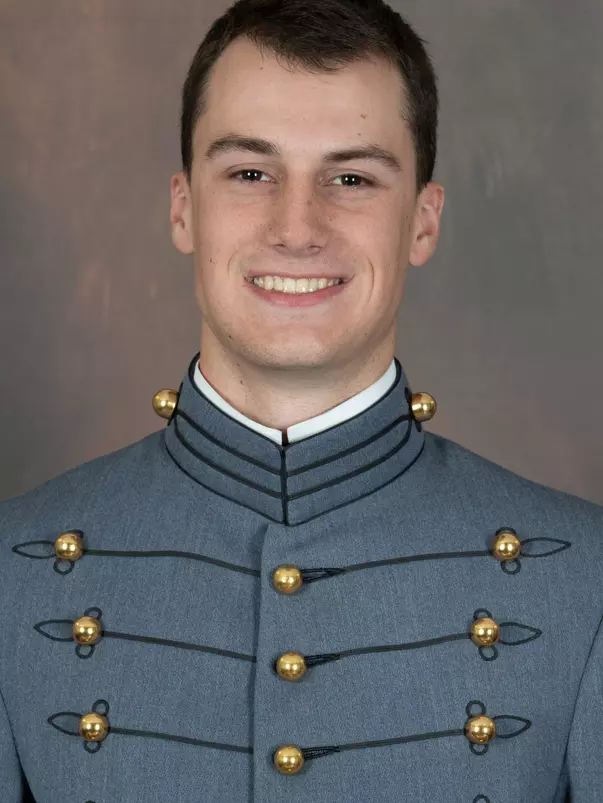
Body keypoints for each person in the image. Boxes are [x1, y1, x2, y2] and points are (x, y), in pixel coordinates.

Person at [1, 0, 601, 800]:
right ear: (184, 208)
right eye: (250, 172)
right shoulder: (16, 572)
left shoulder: (583, 579)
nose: (297, 226)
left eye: (350, 178)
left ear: (422, 223)